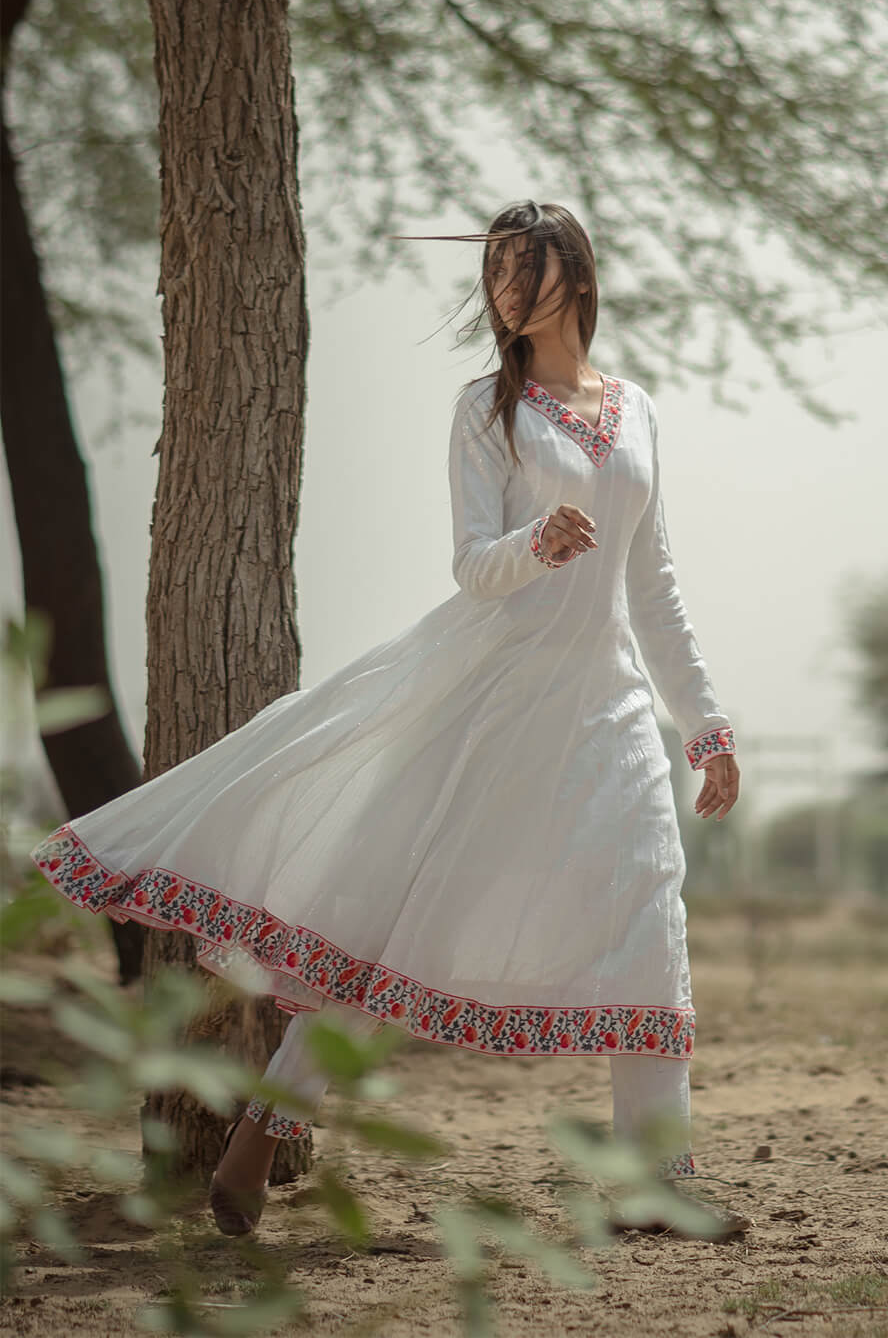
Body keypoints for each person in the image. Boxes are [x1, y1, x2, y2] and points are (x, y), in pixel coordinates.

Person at [30, 199, 743, 1238]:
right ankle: (257, 1137)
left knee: (651, 916)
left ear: (574, 277)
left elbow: (657, 585)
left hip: (611, 707)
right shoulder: (483, 410)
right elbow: (472, 565)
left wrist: (705, 727)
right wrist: (535, 542)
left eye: (523, 264)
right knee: (403, 915)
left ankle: (658, 1184)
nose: (504, 284)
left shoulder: (634, 409)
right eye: (493, 268)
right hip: (497, 700)